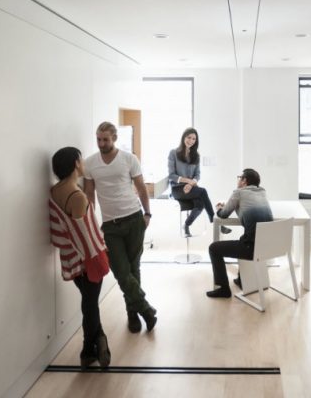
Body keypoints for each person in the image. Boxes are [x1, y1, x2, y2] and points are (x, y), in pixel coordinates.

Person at [84, 122, 158, 333]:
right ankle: (145, 309)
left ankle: (132, 314)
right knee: (121, 271)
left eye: (105, 139)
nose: (101, 143)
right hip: (110, 225)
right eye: (98, 139)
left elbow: (141, 188)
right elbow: (89, 196)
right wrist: (91, 225)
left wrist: (147, 213)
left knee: (134, 269)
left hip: (134, 219)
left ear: (114, 138)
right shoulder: (90, 163)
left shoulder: (129, 159)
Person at [49, 147, 111, 368]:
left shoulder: (55, 190)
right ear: (76, 163)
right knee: (90, 305)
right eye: (82, 159)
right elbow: (84, 236)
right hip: (87, 261)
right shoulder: (77, 197)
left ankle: (98, 341)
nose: (84, 163)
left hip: (70, 259)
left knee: (89, 303)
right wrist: (100, 256)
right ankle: (87, 350)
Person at [206, 168, 273, 298]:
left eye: (239, 178)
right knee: (245, 238)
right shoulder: (262, 192)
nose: (238, 180)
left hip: (253, 249)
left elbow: (223, 215)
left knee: (214, 248)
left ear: (244, 181)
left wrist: (219, 208)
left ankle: (223, 289)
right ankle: (242, 280)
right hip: (269, 247)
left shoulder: (239, 192)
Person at [168, 127, 224, 236]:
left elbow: (197, 175)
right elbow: (172, 175)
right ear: (183, 137)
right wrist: (189, 181)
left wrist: (190, 184)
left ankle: (186, 225)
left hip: (191, 187)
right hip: (177, 189)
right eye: (189, 137)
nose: (191, 141)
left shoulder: (196, 155)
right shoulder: (173, 153)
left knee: (200, 203)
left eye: (194, 139)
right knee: (203, 191)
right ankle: (215, 221)